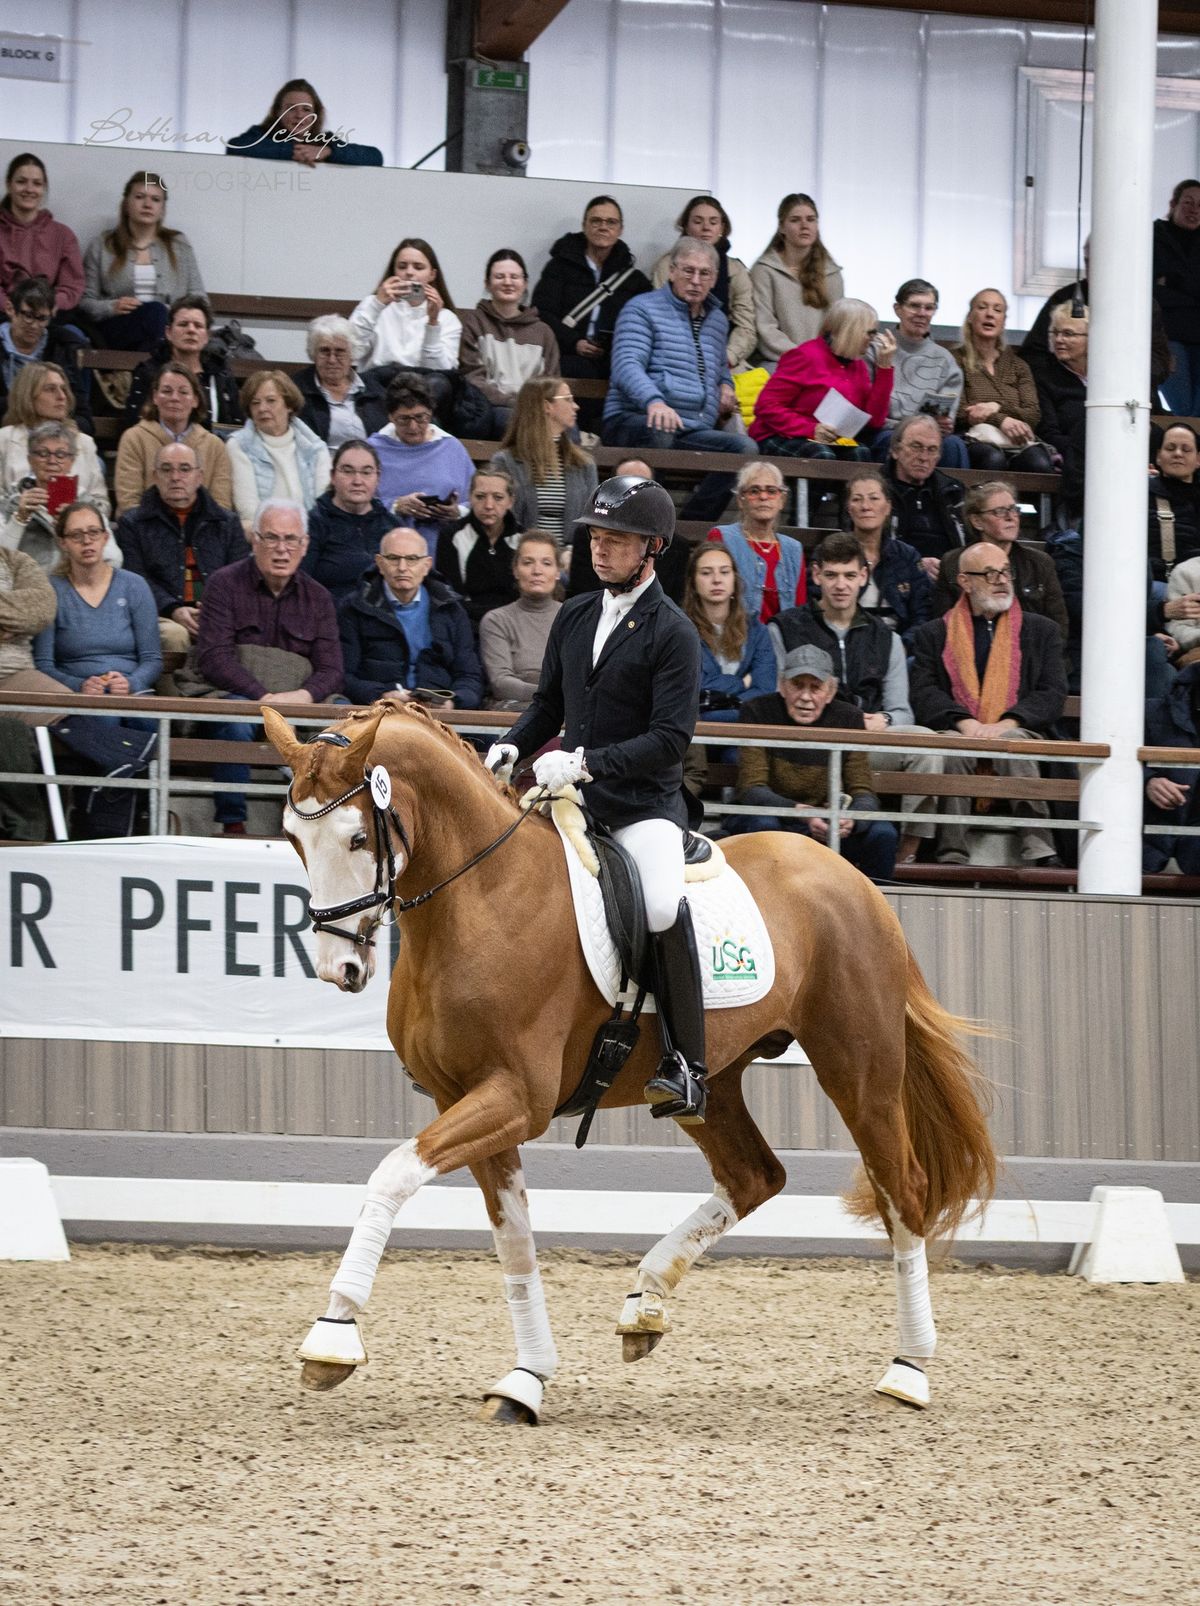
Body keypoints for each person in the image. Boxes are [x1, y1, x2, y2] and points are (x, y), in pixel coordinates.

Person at [485, 477, 709, 1125]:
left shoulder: (674, 633)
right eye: (598, 538)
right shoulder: (576, 613)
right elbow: (549, 703)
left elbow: (670, 740)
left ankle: (687, 1065)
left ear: (653, 548)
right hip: (568, 800)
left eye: (617, 540)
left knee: (664, 904)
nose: (602, 549)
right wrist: (512, 746)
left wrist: (583, 763)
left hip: (640, 807)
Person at [769, 532, 940, 863]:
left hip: (867, 742)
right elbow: (776, 699)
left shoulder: (886, 637)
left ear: (864, 576)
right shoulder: (785, 627)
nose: (840, 585)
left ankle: (908, 849)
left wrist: (885, 720)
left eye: (849, 575)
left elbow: (902, 711)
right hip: (808, 740)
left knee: (928, 745)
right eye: (831, 575)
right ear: (816, 575)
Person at [909, 540, 1067, 866]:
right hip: (959, 728)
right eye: (990, 573)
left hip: (1020, 729)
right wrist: (967, 724)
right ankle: (951, 853)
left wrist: (1005, 724)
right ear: (965, 581)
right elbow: (924, 692)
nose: (1002, 580)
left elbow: (1052, 693)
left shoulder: (1042, 631)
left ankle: (1040, 850)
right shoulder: (934, 634)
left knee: (1014, 745)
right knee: (954, 747)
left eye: (1006, 571)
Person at [195, 500, 343, 832]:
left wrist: (304, 697)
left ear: (304, 546)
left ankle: (312, 824)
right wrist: (264, 697)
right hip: (240, 695)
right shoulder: (222, 584)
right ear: (254, 540)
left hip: (299, 702)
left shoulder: (319, 597)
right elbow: (214, 658)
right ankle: (233, 824)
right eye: (271, 538)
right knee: (233, 722)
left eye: (291, 539)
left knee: (341, 726)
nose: (281, 549)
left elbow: (332, 670)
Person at [602, 238, 756, 523]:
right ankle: (648, 520)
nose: (696, 280)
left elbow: (719, 368)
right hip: (632, 418)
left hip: (692, 426)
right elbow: (626, 365)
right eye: (688, 271)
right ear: (671, 271)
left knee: (745, 449)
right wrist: (654, 401)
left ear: (714, 279)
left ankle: (690, 525)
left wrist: (726, 385)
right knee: (661, 428)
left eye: (705, 273)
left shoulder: (718, 320)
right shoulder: (641, 308)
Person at [32, 500, 162, 835]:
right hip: (79, 692)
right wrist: (79, 686)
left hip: (131, 687)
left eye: (92, 533)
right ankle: (101, 826)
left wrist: (130, 683)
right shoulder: (52, 590)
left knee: (143, 719)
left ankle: (141, 820)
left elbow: (152, 659)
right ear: (63, 543)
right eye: (76, 535)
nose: (86, 541)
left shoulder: (133, 586)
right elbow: (43, 664)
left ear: (106, 537)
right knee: (103, 718)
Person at [735, 643, 896, 882]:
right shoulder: (756, 711)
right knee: (763, 824)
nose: (806, 697)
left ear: (830, 691)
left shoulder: (849, 717)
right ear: (782, 685)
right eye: (797, 685)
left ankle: (875, 909)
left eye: (816, 687)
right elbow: (751, 789)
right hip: (781, 819)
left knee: (883, 834)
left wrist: (849, 819)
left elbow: (863, 791)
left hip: (828, 824)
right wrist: (802, 812)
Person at [116, 441, 246, 657]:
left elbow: (240, 577)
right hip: (161, 614)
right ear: (155, 476)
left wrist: (213, 610)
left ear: (199, 476)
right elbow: (135, 578)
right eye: (166, 469)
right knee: (175, 636)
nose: (175, 477)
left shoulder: (227, 522)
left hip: (217, 611)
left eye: (184, 469)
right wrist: (173, 609)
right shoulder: (133, 523)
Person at [338, 525, 482, 709]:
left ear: (427, 566)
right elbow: (343, 676)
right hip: (379, 711)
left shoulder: (451, 610)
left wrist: (452, 703)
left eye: (412, 559)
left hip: (438, 714)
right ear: (380, 564)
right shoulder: (354, 608)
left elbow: (470, 676)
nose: (402, 567)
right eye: (393, 558)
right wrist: (381, 695)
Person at [750, 297, 895, 460]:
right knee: (822, 456)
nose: (873, 340)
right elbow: (765, 406)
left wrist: (884, 368)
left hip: (831, 439)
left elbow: (874, 421)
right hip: (781, 434)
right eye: (870, 333)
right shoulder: (805, 356)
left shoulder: (857, 365)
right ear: (851, 330)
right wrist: (811, 429)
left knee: (861, 453)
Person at [532, 196, 651, 387]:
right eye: (596, 221)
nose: (603, 227)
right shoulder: (559, 267)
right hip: (565, 354)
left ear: (620, 229)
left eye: (611, 222)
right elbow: (542, 314)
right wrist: (574, 342)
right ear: (584, 225)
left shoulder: (634, 280)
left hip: (613, 361)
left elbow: (645, 325)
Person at [79, 173, 205, 352]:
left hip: (168, 330)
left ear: (162, 209)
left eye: (155, 199)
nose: (147, 204)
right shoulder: (102, 245)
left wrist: (181, 316)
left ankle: (150, 367)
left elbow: (199, 297)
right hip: (118, 329)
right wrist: (111, 307)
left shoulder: (179, 245)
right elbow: (85, 302)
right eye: (139, 197)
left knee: (160, 317)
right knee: (156, 312)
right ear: (126, 204)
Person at [933, 481, 1068, 640]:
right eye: (999, 511)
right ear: (977, 521)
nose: (1011, 517)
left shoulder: (1040, 563)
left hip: (1031, 654)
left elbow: (1059, 627)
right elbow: (942, 624)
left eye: (1013, 509)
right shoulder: (953, 563)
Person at [458, 250, 560, 436]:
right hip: (492, 407)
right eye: (499, 276)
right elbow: (472, 377)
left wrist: (533, 406)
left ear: (525, 283)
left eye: (514, 277)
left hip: (535, 409)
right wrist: (510, 402)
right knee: (510, 421)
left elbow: (551, 383)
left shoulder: (543, 332)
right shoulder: (474, 322)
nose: (507, 282)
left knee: (569, 430)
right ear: (487, 284)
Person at [951, 289, 1053, 473]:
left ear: (1004, 321)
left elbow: (1033, 415)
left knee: (1040, 463)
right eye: (982, 307)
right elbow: (959, 410)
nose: (989, 314)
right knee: (993, 459)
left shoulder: (1018, 365)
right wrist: (1001, 419)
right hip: (975, 439)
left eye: (997, 310)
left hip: (1019, 441)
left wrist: (995, 406)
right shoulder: (956, 359)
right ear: (970, 316)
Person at [492, 376, 598, 551]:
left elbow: (591, 524)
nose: (576, 406)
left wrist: (571, 555)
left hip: (570, 561)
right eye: (568, 399)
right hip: (520, 558)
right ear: (546, 406)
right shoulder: (505, 462)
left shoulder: (585, 464)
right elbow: (500, 522)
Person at [652, 195, 756, 371]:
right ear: (686, 227)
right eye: (698, 221)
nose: (706, 228)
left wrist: (728, 357)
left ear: (722, 228)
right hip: (674, 357)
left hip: (725, 360)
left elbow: (746, 328)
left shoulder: (736, 270)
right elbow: (659, 318)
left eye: (713, 222)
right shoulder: (667, 265)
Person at [114, 361, 232, 515]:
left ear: (195, 400)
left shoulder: (214, 445)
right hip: (145, 531)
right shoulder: (134, 438)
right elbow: (129, 501)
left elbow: (221, 505)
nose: (175, 398)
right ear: (155, 397)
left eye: (183, 392)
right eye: (167, 391)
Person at [0, 420, 119, 571]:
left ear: (71, 461)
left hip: (74, 585)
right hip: (28, 585)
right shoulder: (12, 499)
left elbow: (113, 559)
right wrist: (19, 519)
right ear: (30, 460)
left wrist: (76, 526)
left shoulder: (86, 503)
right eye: (43, 453)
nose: (52, 461)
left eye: (61, 454)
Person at [565, 456, 688, 602]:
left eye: (642, 485)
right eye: (596, 538)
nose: (599, 550)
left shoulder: (678, 546)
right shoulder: (583, 535)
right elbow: (580, 593)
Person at [875, 279, 967, 469]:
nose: (922, 314)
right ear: (897, 309)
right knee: (890, 442)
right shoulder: (877, 348)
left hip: (928, 434)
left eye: (929, 308)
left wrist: (943, 422)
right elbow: (868, 410)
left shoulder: (944, 359)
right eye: (914, 306)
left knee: (954, 445)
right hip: (885, 431)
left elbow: (944, 418)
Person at [367, 375, 473, 539]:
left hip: (443, 542)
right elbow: (357, 501)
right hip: (387, 540)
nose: (413, 426)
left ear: (430, 413)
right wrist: (396, 506)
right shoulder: (372, 450)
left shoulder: (452, 448)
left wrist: (457, 511)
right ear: (390, 417)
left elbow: (474, 499)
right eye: (404, 419)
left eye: (420, 417)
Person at [348, 238, 462, 386]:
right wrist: (377, 305)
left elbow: (440, 373)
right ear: (393, 272)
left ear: (432, 275)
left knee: (437, 382)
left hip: (423, 391)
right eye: (402, 266)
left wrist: (433, 324)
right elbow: (351, 351)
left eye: (418, 267)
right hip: (378, 384)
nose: (409, 272)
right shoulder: (374, 304)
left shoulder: (447, 318)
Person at [226, 370, 331, 528]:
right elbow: (248, 509)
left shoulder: (315, 447)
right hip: (264, 534)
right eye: (255, 403)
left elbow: (323, 505)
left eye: (271, 401)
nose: (262, 408)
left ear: (289, 405)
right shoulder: (239, 445)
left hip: (309, 535)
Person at [682, 540, 775, 717]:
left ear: (734, 579)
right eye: (706, 573)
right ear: (693, 583)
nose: (717, 580)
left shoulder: (757, 631)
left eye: (724, 572)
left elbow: (765, 690)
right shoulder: (679, 630)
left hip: (746, 731)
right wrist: (741, 683)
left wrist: (719, 703)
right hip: (693, 733)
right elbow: (689, 688)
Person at [750, 193, 843, 368]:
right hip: (779, 363)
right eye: (795, 220)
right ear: (781, 227)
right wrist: (802, 357)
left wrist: (820, 360)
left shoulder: (832, 274)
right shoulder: (764, 270)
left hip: (822, 364)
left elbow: (837, 328)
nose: (804, 226)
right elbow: (765, 328)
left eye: (811, 219)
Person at [706, 460, 806, 623]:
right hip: (734, 639)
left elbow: (799, 611)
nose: (763, 497)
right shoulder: (721, 537)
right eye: (754, 491)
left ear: (781, 500)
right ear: (740, 500)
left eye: (771, 491)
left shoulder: (793, 549)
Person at [124, 295, 242, 432]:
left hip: (211, 450)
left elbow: (235, 428)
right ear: (168, 332)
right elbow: (134, 427)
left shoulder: (221, 375)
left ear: (207, 336)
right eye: (183, 324)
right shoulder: (148, 372)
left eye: (198, 326)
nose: (191, 330)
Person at [838, 468, 931, 641]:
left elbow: (922, 615)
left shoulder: (907, 556)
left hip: (896, 645)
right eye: (857, 499)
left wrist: (903, 647)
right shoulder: (832, 552)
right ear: (849, 509)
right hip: (845, 641)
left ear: (887, 507)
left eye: (874, 498)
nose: (866, 506)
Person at [0, 363, 108, 509]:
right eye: (50, 389)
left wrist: (75, 511)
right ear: (28, 395)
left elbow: (102, 505)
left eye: (63, 389)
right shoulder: (4, 440)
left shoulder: (84, 442)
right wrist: (19, 508)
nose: (62, 396)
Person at [301, 440, 395, 603]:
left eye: (366, 472)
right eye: (348, 471)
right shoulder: (313, 523)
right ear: (333, 477)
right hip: (331, 617)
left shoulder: (392, 525)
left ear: (377, 477)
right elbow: (301, 585)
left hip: (384, 619)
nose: (357, 481)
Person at [478, 531, 562, 709]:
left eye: (546, 563)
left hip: (566, 713)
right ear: (515, 570)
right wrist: (551, 694)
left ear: (558, 572)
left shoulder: (575, 618)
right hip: (514, 713)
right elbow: (501, 683)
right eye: (527, 562)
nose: (537, 571)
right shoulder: (497, 620)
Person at [433, 466, 522, 628]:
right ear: (470, 498)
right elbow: (452, 596)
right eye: (480, 497)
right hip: (468, 623)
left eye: (498, 497)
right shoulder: (451, 536)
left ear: (511, 501)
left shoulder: (523, 538)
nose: (488, 505)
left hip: (516, 623)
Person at [0, 275, 91, 427]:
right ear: (10, 309)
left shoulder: (62, 349)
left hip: (53, 438)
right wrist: (33, 405)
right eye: (28, 316)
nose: (34, 325)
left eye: (42, 318)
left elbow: (84, 418)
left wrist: (69, 428)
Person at [224, 79, 383, 166]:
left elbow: (375, 156)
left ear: (316, 113)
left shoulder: (325, 141)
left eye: (306, 110)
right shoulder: (261, 134)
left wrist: (327, 152)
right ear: (277, 111)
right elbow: (234, 146)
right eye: (291, 109)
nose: (299, 115)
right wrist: (294, 152)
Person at [0, 154, 84, 314]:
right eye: (21, 182)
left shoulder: (63, 235)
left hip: (50, 316)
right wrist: (10, 308)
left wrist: (47, 306)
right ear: (9, 185)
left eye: (37, 183)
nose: (29, 189)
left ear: (44, 188)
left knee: (76, 337)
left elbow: (72, 286)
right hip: (5, 314)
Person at [882, 414, 965, 577]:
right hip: (894, 581)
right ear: (895, 450)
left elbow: (969, 547)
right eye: (916, 446)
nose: (923, 457)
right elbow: (865, 547)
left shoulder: (953, 491)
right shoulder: (876, 491)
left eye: (932, 449)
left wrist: (949, 569)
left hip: (948, 583)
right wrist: (915, 566)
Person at [295, 315, 389, 449]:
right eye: (324, 351)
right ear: (313, 354)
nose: (332, 359)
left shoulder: (373, 389)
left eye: (340, 351)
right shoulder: (297, 391)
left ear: (352, 355)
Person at [1036, 303, 1089, 516]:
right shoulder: (1045, 377)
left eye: (1068, 334)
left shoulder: (1110, 375)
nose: (1059, 340)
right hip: (1072, 461)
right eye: (1055, 333)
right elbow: (1049, 434)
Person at [1154, 180, 1200, 416]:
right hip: (1169, 336)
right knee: (1183, 409)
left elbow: (1164, 284)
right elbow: (1151, 289)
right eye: (1188, 203)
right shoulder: (1153, 236)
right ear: (1173, 204)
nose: (1194, 210)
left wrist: (1173, 282)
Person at [1148, 422, 1200, 580]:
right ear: (1158, 456)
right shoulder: (1140, 494)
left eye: (1186, 449)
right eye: (1170, 448)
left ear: (1198, 459)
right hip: (1160, 583)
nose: (1178, 454)